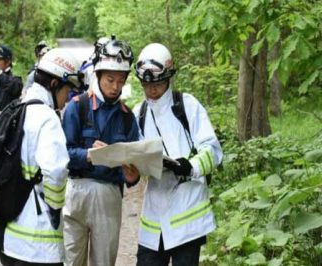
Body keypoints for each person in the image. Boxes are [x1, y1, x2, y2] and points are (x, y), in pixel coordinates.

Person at [133, 43, 223, 266]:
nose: (152, 90)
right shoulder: (139, 113)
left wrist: (190, 166)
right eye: (146, 85)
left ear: (169, 78)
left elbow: (212, 150)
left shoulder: (188, 106)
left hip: (187, 217)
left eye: (157, 84)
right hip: (154, 216)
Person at [0, 48, 82, 265]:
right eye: (67, 91)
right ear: (54, 84)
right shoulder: (47, 117)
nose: (66, 99)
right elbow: (56, 171)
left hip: (7, 237)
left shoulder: (17, 108)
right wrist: (54, 207)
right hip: (36, 243)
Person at [62, 36, 141, 266]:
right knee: (71, 260)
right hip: (76, 191)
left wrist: (132, 177)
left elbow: (134, 167)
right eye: (110, 79)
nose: (116, 87)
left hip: (109, 196)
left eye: (121, 81)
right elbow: (62, 155)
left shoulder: (128, 118)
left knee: (104, 262)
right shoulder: (77, 106)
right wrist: (87, 154)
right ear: (97, 74)